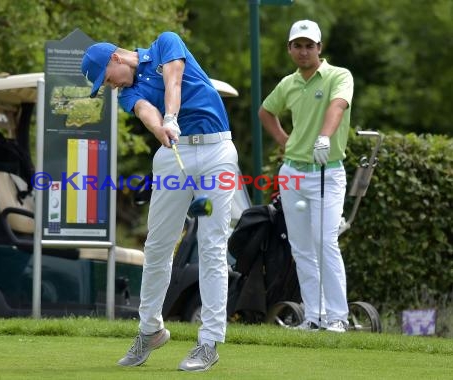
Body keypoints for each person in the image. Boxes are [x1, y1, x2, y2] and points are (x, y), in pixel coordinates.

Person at [82, 31, 238, 371]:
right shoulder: (127, 91)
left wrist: (171, 116)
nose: (109, 86)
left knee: (212, 246)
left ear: (116, 59)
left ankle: (209, 342)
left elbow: (174, 79)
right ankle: (149, 329)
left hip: (216, 151)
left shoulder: (166, 42)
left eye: (106, 79)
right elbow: (143, 110)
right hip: (173, 152)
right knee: (157, 245)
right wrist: (161, 128)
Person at [258, 20, 353, 333]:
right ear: (289, 49)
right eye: (297, 45)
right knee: (301, 249)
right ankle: (315, 316)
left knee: (325, 242)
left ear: (319, 48)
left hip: (327, 171)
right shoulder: (289, 83)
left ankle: (338, 317)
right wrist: (286, 141)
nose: (303, 51)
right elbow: (265, 112)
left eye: (309, 45)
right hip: (293, 173)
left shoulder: (340, 76)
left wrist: (324, 137)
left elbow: (337, 107)